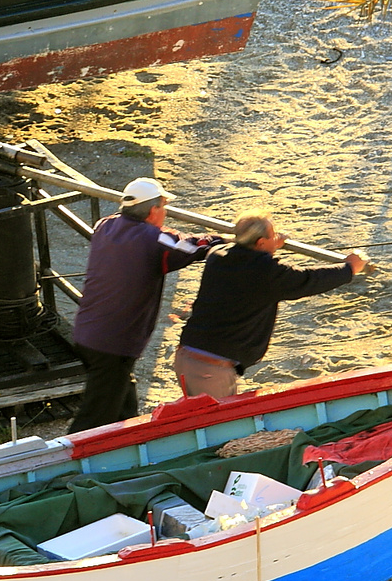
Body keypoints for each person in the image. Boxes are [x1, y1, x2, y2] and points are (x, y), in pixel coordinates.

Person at [67, 177, 221, 433]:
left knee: (122, 400)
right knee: (95, 418)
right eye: (164, 207)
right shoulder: (153, 240)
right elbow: (192, 246)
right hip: (113, 343)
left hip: (87, 333)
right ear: (153, 211)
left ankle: (131, 437)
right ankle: (66, 462)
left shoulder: (105, 226)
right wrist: (222, 239)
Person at [173, 209, 368, 400]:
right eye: (272, 235)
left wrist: (273, 243)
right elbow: (308, 279)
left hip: (189, 357)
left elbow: (241, 247)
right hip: (210, 370)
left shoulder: (218, 255)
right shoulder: (266, 273)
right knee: (217, 424)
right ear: (260, 242)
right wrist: (349, 268)